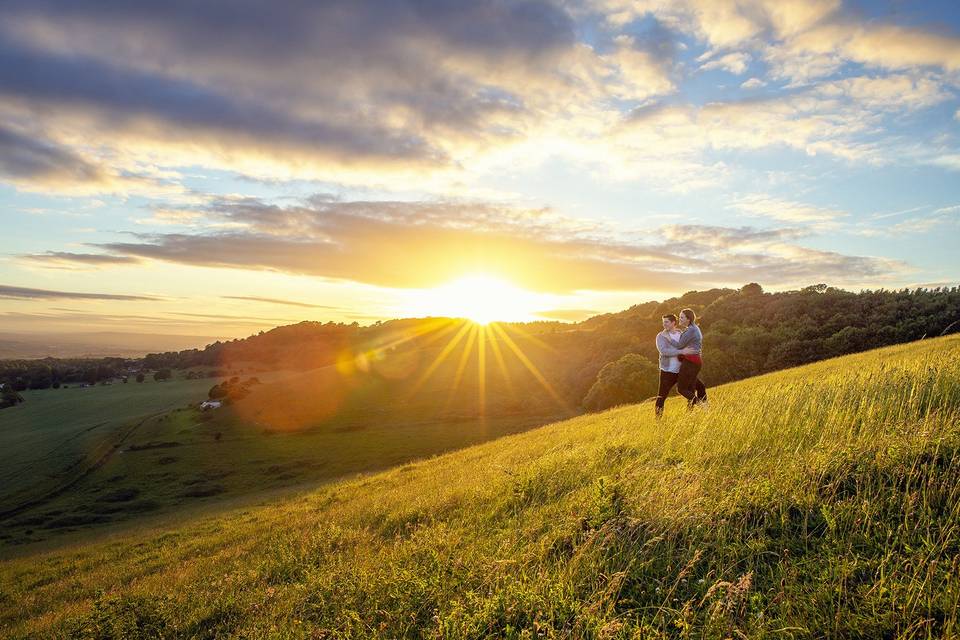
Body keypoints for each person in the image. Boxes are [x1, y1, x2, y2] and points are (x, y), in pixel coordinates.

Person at [663, 308, 707, 409]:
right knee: (691, 388)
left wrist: (668, 337)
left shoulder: (690, 330)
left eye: (682, 317)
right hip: (695, 362)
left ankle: (702, 405)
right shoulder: (694, 328)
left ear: (688, 319)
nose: (680, 319)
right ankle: (694, 412)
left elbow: (679, 345)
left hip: (690, 362)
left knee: (681, 389)